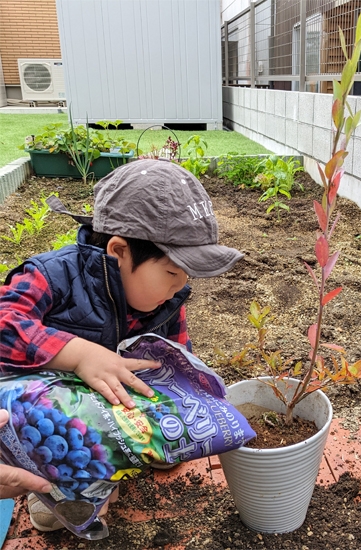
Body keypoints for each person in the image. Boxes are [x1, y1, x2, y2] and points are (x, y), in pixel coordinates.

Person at [0, 159, 243, 531]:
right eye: (172, 272)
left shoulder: (164, 300)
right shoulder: (54, 276)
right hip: (54, 414)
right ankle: (53, 478)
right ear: (118, 250)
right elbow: (5, 322)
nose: (180, 286)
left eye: (187, 275)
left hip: (117, 407)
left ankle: (116, 457)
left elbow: (175, 359)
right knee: (69, 478)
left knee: (163, 437)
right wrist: (79, 355)